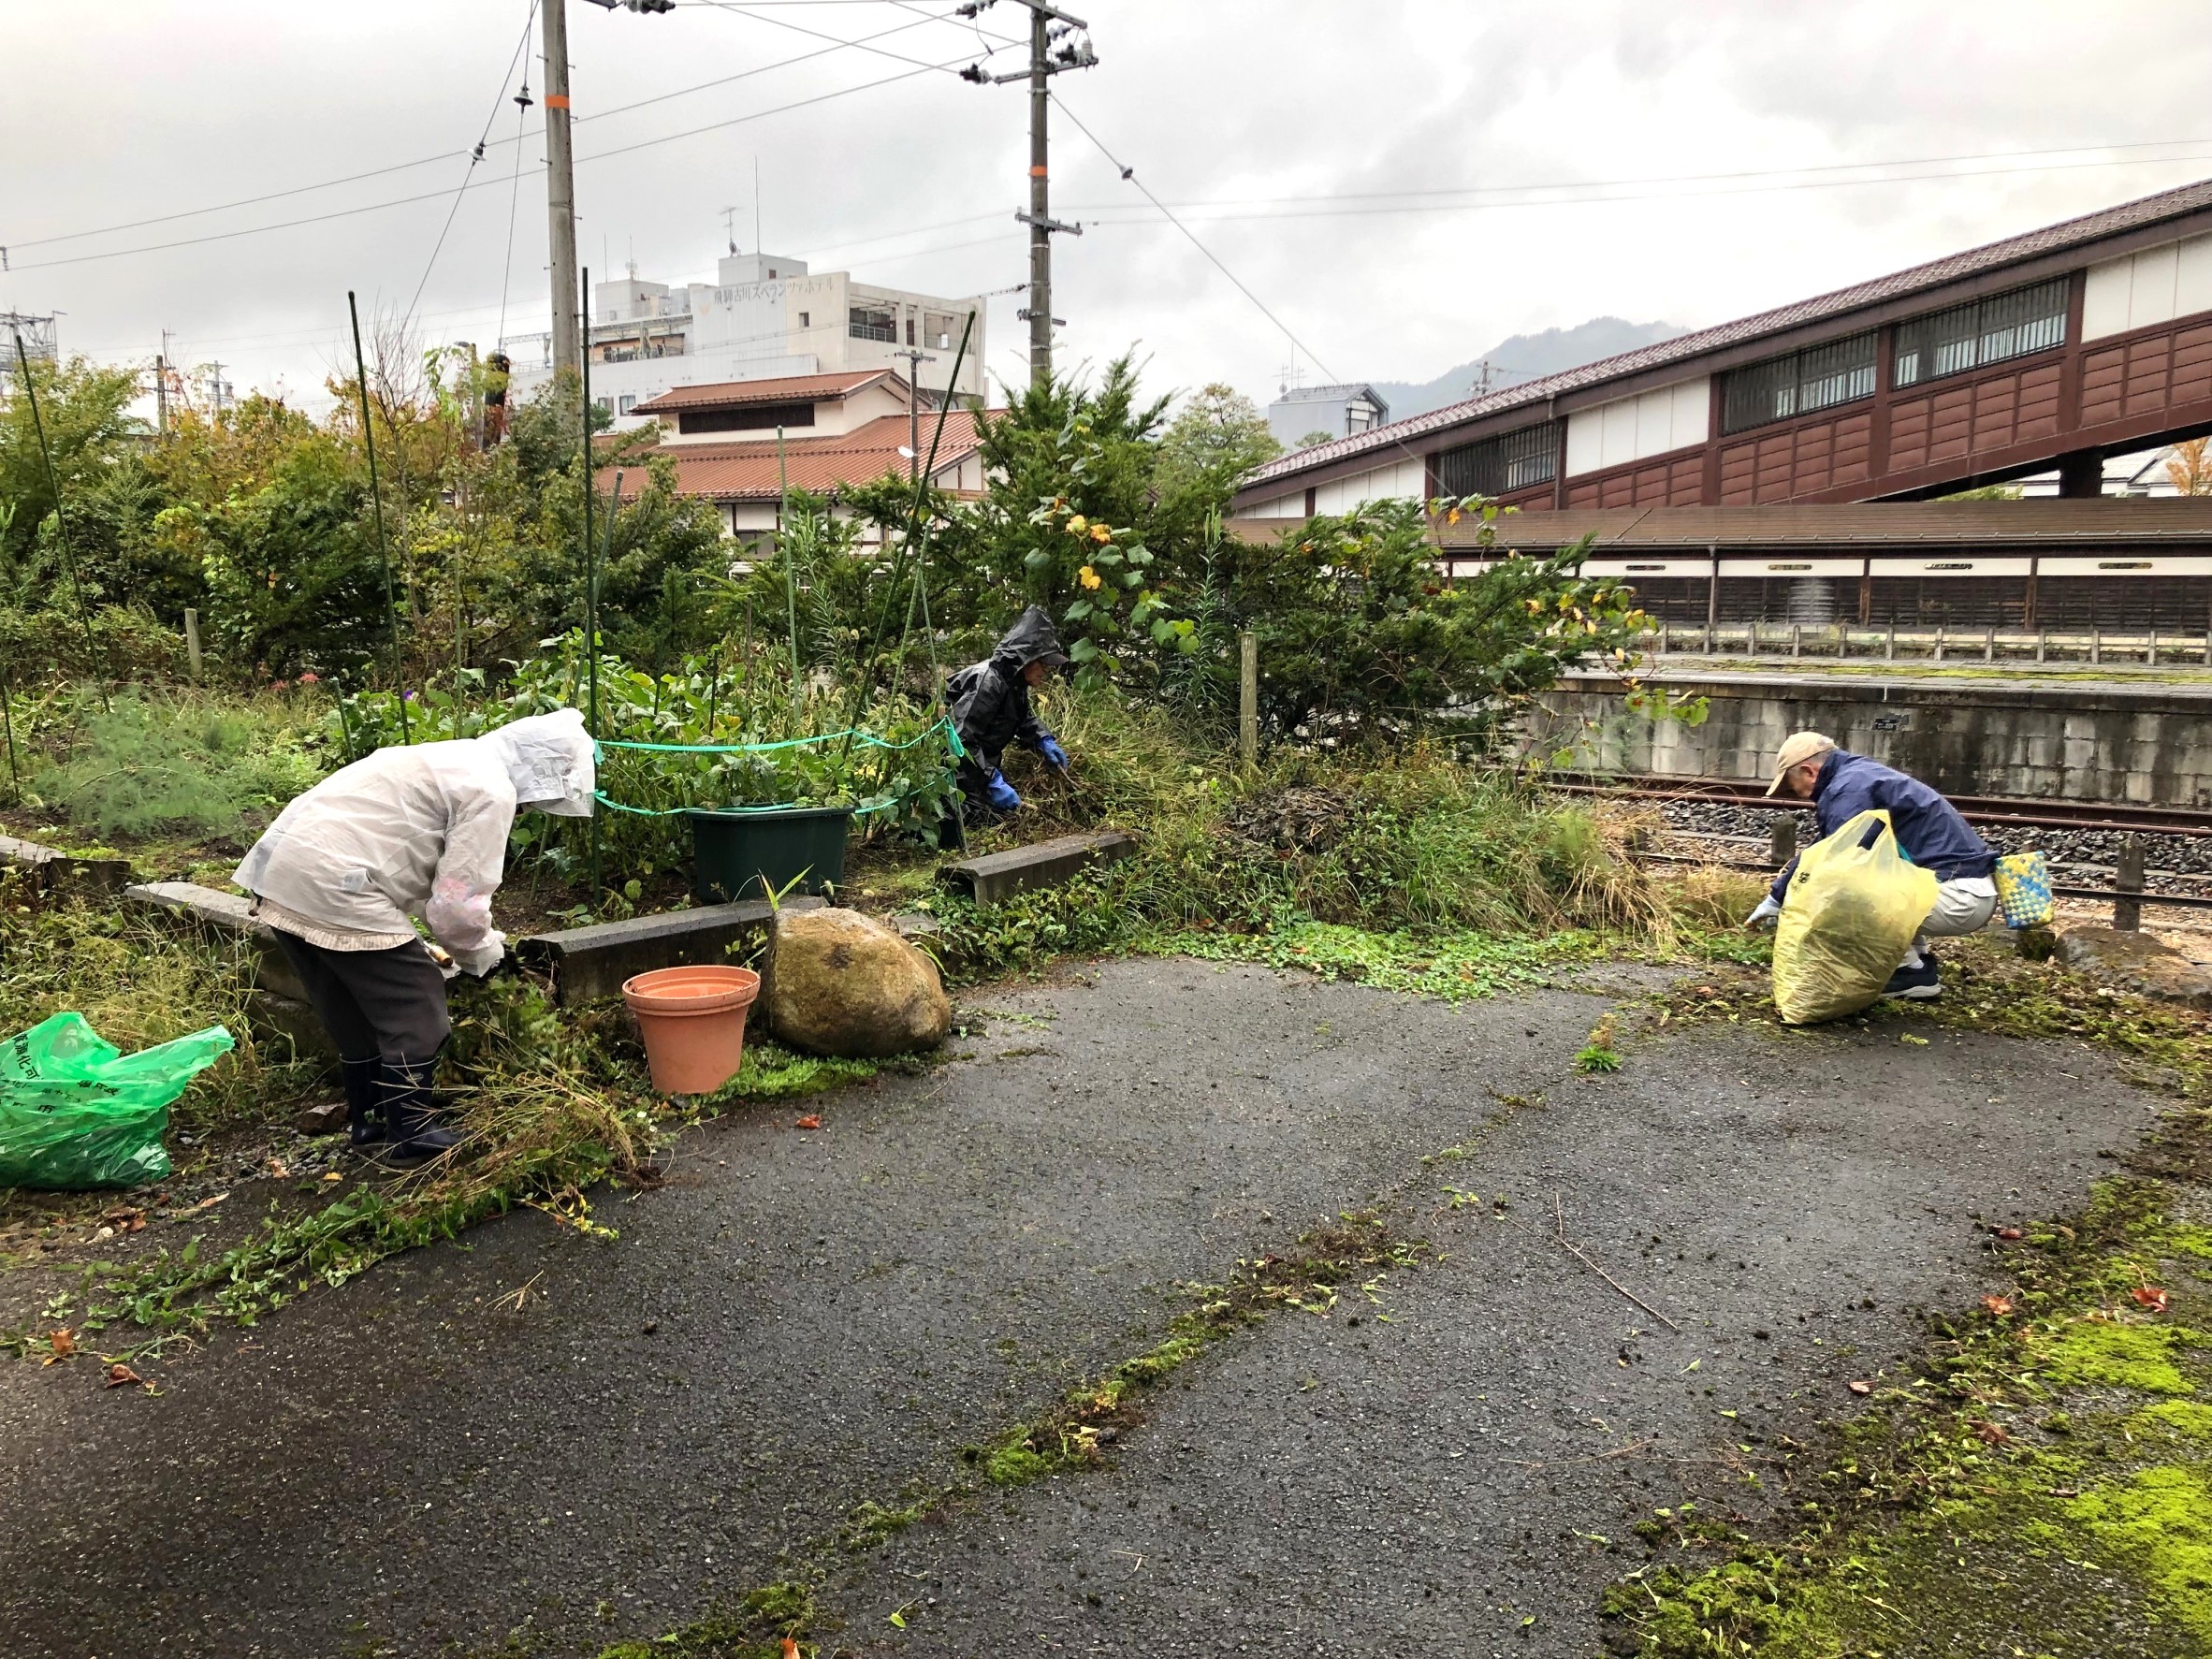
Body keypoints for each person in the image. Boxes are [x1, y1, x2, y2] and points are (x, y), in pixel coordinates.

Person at [235, 707, 597, 1159]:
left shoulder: (448, 758)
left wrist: (454, 939)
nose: (529, 809)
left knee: (350, 1006)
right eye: (538, 800)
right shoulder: (491, 790)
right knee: (418, 1000)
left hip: (281, 871)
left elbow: (404, 860)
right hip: (336, 883)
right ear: (539, 774)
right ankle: (411, 1132)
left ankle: (368, 1122)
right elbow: (455, 909)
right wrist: (487, 957)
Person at [1745, 731, 1997, 1000]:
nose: (1800, 795)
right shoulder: (1858, 777)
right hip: (1967, 891)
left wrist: (1794, 906)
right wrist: (1777, 897)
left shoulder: (1848, 788)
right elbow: (1822, 848)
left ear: (1809, 772)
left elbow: (1838, 860)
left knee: (1842, 897)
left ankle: (1907, 971)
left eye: (1793, 786)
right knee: (1869, 880)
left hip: (1958, 897)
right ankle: (1917, 967)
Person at [946, 605, 1071, 816]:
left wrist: (1044, 739)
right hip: (956, 772)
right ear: (1027, 660)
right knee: (982, 819)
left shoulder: (1013, 682)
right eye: (1044, 663)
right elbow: (960, 741)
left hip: (981, 767)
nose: (1048, 670)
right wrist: (992, 781)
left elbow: (1022, 717)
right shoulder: (987, 684)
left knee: (1005, 813)